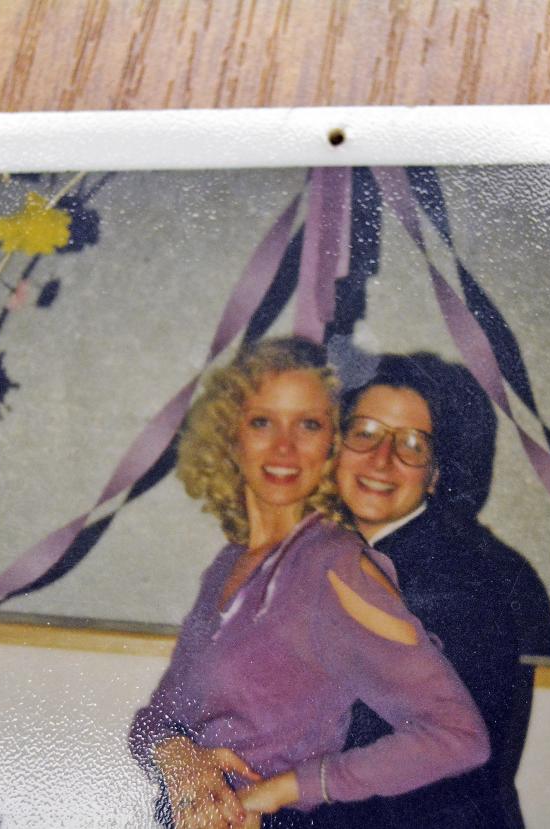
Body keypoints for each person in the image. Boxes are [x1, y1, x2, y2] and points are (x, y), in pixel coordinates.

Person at [128, 338, 489, 829]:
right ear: (230, 438)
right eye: (262, 422)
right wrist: (176, 756)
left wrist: (280, 792)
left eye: (309, 425)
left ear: (331, 447)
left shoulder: (336, 566)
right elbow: (156, 717)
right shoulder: (228, 565)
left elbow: (457, 735)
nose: (284, 447)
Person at [315, 352, 550, 829]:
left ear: (436, 473)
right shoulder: (322, 551)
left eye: (411, 444)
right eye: (364, 433)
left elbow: (385, 749)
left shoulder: (475, 577)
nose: (381, 459)